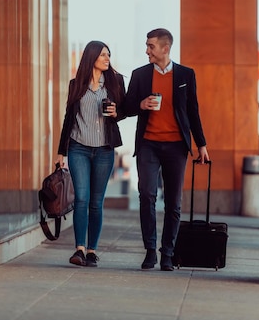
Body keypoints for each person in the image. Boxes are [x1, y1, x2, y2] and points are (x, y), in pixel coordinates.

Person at [124, 28, 210, 271]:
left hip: (176, 147)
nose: (147, 50)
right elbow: (128, 107)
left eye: (151, 46)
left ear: (165, 48)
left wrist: (201, 144)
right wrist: (141, 104)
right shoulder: (140, 75)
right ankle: (150, 251)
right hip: (148, 145)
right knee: (147, 195)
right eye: (146, 45)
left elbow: (193, 111)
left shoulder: (185, 74)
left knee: (174, 202)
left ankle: (168, 253)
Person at [55, 40, 126, 267]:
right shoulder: (76, 84)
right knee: (82, 198)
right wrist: (60, 152)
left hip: (104, 150)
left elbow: (125, 110)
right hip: (78, 148)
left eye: (109, 55)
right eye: (104, 55)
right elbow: (68, 119)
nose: (107, 58)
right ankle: (79, 249)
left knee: (96, 202)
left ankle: (93, 250)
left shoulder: (116, 83)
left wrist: (118, 113)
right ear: (92, 57)